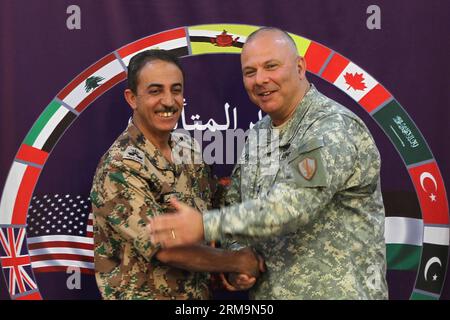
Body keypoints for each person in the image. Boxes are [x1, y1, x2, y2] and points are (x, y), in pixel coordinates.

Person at [148, 28, 389, 299]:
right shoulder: (259, 134)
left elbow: (291, 206)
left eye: (271, 66)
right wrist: (239, 260)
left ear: (299, 67)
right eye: (250, 72)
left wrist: (204, 225)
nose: (260, 79)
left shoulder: (331, 127)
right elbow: (237, 202)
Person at [90, 49, 263, 300]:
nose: (169, 101)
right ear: (132, 98)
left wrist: (232, 267)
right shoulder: (119, 166)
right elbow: (167, 249)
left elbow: (216, 209)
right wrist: (238, 262)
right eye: (155, 91)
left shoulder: (187, 147)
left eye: (176, 90)